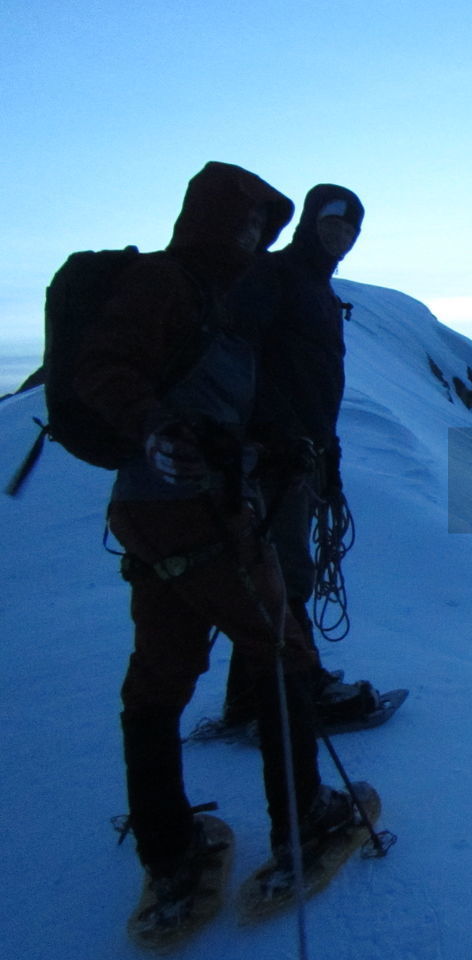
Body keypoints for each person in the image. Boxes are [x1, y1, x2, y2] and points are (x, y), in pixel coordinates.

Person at [74, 162, 359, 913]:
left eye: (258, 225)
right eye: (243, 222)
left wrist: (266, 446)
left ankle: (170, 853)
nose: (250, 236)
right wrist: (159, 430)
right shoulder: (172, 285)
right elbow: (107, 369)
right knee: (284, 648)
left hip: (152, 514)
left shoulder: (218, 296)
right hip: (201, 514)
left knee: (157, 681)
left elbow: (219, 398)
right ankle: (306, 823)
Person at [219, 183, 378, 731]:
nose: (343, 234)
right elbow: (240, 354)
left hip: (301, 453)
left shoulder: (316, 290)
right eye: (334, 221)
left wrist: (326, 457)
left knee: (273, 571)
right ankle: (299, 687)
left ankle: (248, 695)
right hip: (271, 455)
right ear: (311, 219)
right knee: (285, 573)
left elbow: (312, 382)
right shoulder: (275, 276)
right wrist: (276, 434)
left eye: (353, 227)